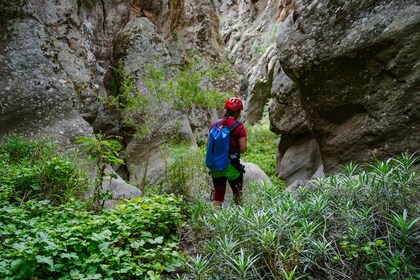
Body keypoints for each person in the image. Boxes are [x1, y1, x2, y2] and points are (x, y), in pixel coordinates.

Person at [209, 97, 247, 207]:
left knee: (218, 195)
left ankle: (216, 221)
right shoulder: (239, 127)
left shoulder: (215, 124)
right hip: (232, 166)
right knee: (237, 193)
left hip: (216, 165)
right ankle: (240, 217)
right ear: (238, 111)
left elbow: (209, 145)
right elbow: (243, 148)